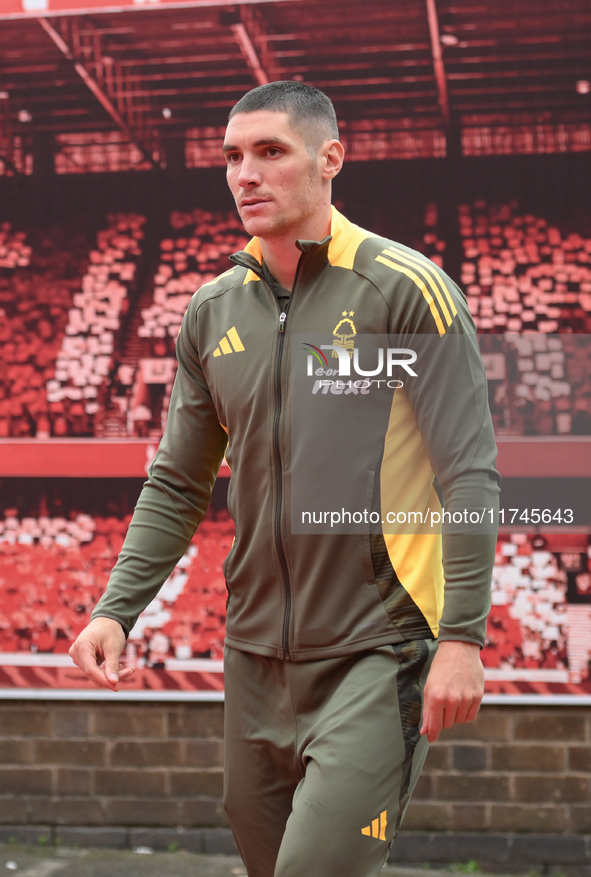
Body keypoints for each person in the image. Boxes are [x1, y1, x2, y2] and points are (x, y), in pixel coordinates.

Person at [69, 81, 500, 877]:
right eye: (232, 156)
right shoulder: (210, 311)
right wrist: (115, 609)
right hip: (254, 656)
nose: (245, 175)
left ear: (329, 158)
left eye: (270, 151)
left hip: (381, 650)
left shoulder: (405, 288)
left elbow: (467, 474)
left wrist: (463, 639)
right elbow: (176, 481)